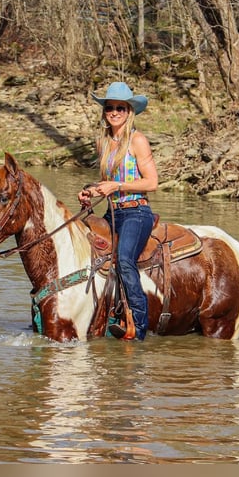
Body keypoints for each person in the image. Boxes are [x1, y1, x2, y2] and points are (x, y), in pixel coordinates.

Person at [78, 81, 158, 340]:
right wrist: (90, 191)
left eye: (120, 108)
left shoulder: (137, 140)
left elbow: (152, 182)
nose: (114, 112)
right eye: (109, 107)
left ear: (129, 111)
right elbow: (106, 184)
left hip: (136, 211)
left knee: (124, 260)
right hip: (113, 212)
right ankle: (97, 313)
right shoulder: (104, 142)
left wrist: (118, 185)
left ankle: (138, 326)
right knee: (84, 247)